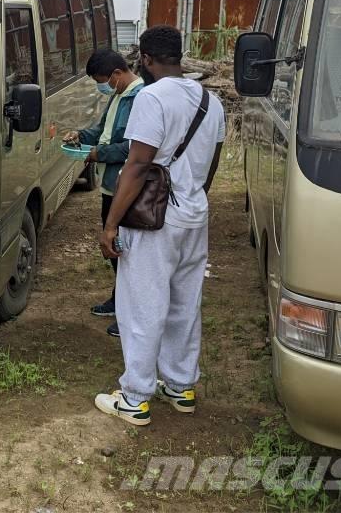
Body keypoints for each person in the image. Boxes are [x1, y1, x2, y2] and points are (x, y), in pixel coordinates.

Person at [94, 25, 225, 426]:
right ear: (179, 56)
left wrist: (111, 224)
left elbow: (137, 164)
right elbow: (212, 163)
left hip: (155, 220)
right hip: (193, 216)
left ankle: (135, 397)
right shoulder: (212, 101)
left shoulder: (151, 97)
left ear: (146, 60)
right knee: (185, 302)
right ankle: (180, 385)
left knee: (142, 305)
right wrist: (193, 195)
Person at [62, 48, 143, 338]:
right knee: (114, 250)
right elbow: (103, 131)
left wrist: (98, 154)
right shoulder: (118, 95)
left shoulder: (140, 99)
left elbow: (133, 148)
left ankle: (131, 314)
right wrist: (81, 136)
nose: (102, 87)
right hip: (110, 184)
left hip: (126, 185)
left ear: (117, 74)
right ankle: (118, 298)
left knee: (125, 250)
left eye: (103, 81)